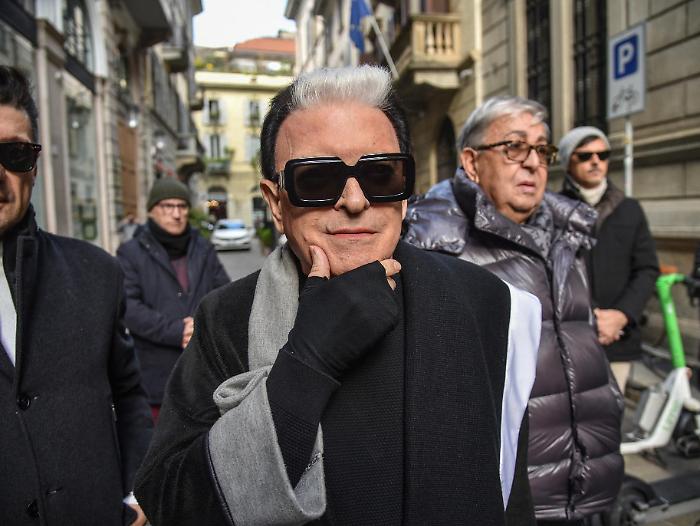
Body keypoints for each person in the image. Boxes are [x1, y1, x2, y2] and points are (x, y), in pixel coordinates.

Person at [134, 66, 542, 525]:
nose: (354, 200)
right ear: (275, 202)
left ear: (404, 194)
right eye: (317, 180)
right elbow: (172, 504)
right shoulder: (228, 318)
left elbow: (509, 496)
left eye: (381, 174)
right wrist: (308, 361)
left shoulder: (489, 303)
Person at [404, 96, 624, 525]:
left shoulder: (570, 230)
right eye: (514, 147)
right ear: (472, 162)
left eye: (541, 149)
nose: (533, 163)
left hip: (588, 475)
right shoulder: (435, 243)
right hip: (511, 491)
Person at [0, 66, 152, 525]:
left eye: (14, 154)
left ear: (34, 166)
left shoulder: (96, 272)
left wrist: (137, 492)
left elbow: (129, 394)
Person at [117, 177, 229, 420]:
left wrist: (201, 325)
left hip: (203, 373)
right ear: (152, 210)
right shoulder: (131, 253)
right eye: (168, 206)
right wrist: (177, 331)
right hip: (156, 377)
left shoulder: (203, 248)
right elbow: (129, 308)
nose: (176, 214)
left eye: (182, 206)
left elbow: (224, 294)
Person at [558, 126, 659, 393]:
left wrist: (621, 315)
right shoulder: (553, 210)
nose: (595, 161)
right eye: (585, 156)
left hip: (618, 338)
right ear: (568, 162)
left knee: (613, 413)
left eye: (602, 155)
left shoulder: (629, 209)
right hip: (570, 336)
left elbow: (647, 269)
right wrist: (588, 317)